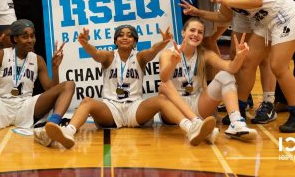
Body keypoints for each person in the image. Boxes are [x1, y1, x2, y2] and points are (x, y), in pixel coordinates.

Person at [179, 0, 295, 133]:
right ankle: (239, 109)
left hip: (283, 15)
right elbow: (224, 17)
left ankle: (294, 111)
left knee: (278, 65)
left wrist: (226, 1)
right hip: (263, 21)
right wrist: (198, 12)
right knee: (247, 63)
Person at [44, 25, 217, 149]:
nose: (125, 37)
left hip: (134, 107)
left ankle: (191, 128)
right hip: (111, 107)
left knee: (162, 99)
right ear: (115, 40)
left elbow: (152, 51)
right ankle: (68, 132)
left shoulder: (140, 57)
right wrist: (86, 44)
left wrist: (163, 42)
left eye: (129, 35)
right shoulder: (108, 56)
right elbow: (95, 54)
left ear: (135, 40)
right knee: (87, 101)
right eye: (121, 35)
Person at [0, 19, 75, 148]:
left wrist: (55, 70)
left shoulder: (38, 59)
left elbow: (51, 89)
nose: (30, 40)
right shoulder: (1, 55)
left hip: (26, 106)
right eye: (25, 37)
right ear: (15, 39)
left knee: (69, 85)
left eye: (32, 36)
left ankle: (49, 129)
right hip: (0, 106)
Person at [159, 17, 257, 141]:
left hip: (197, 104)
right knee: (164, 86)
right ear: (183, 32)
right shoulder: (168, 53)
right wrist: (173, 62)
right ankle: (195, 125)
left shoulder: (205, 54)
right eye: (192, 30)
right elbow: (163, 77)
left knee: (226, 75)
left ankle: (236, 123)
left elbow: (231, 68)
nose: (196, 34)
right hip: (174, 108)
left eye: (200, 32)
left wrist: (239, 57)